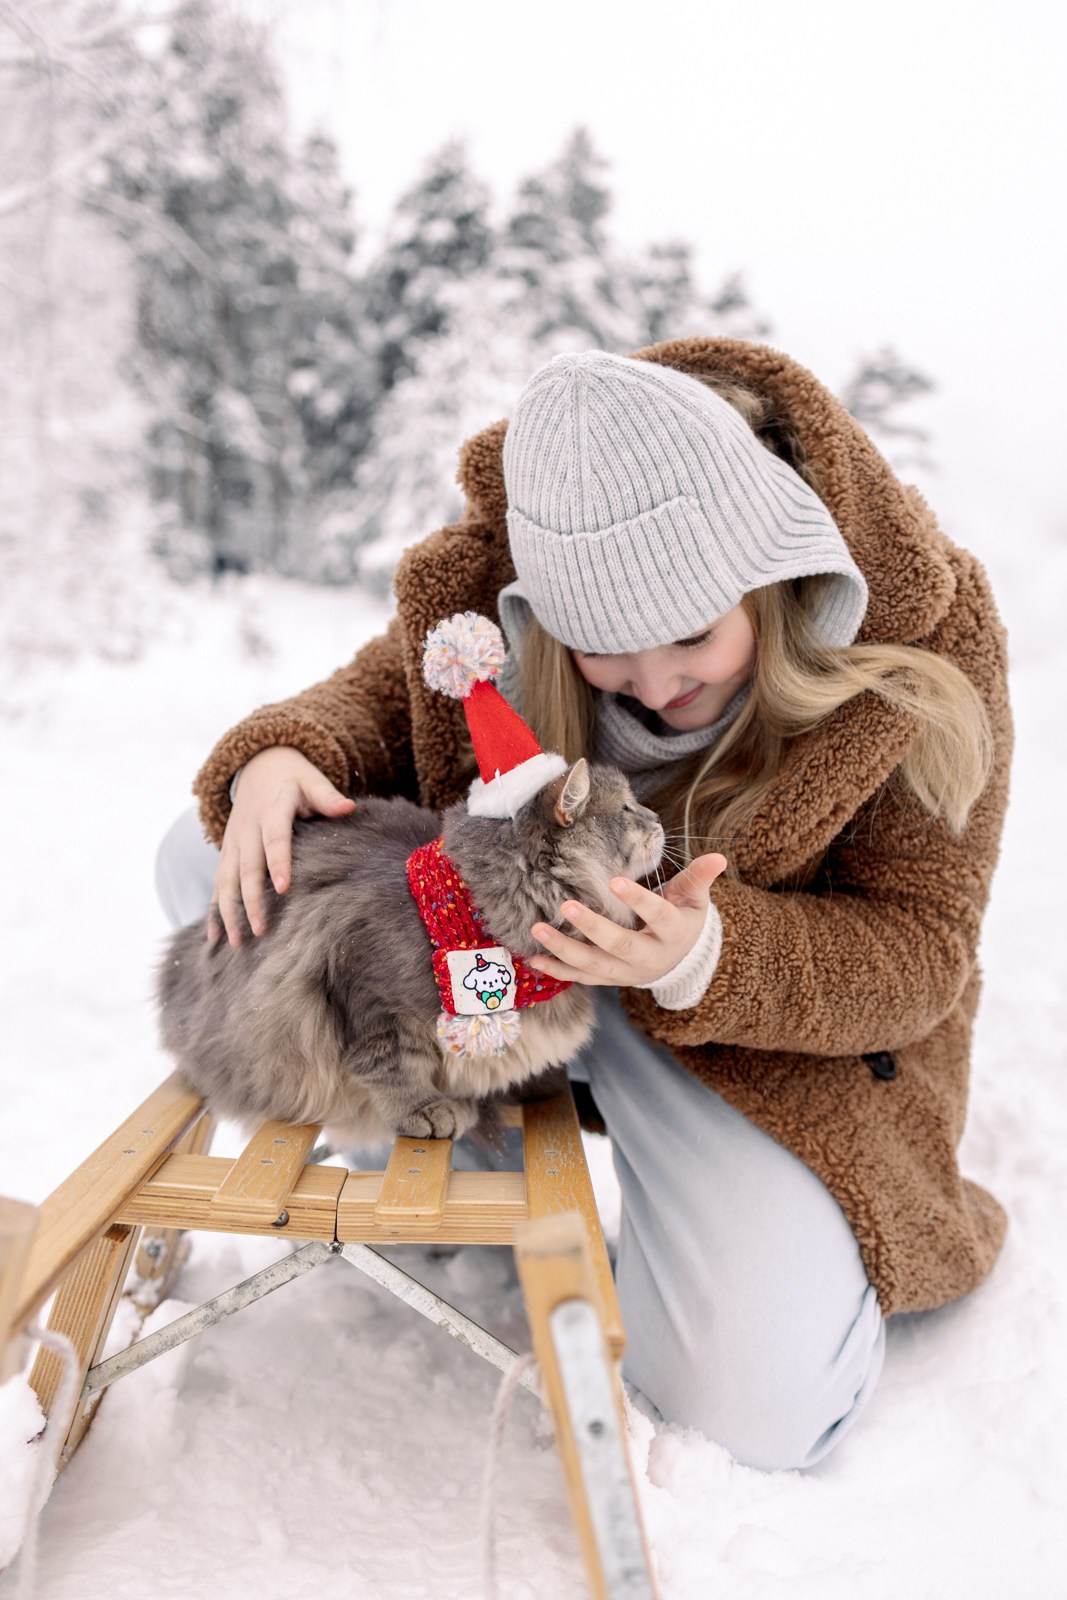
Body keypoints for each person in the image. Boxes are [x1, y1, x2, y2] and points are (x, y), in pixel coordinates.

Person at [156, 340, 1011, 1472]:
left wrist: (707, 958)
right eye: (605, 651)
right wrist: (281, 753)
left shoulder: (922, 636)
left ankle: (770, 1251)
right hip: (512, 973)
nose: (656, 685)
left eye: (695, 637)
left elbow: (921, 947)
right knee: (218, 849)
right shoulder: (492, 593)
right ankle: (466, 1131)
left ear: (770, 568)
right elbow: (371, 692)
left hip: (739, 1030)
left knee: (745, 1412)